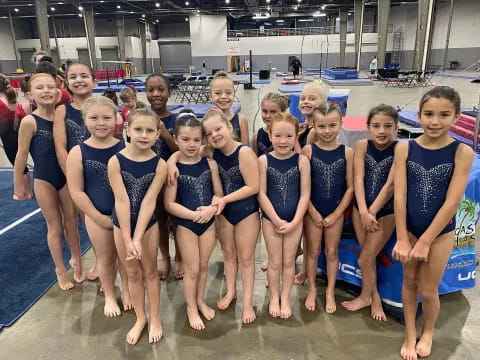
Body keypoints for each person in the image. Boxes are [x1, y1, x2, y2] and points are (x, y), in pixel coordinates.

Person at [392, 86, 474, 360]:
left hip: (440, 233)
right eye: (428, 114)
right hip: (409, 229)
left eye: (444, 114)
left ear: (457, 117)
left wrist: (426, 240)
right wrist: (403, 237)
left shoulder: (462, 151)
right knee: (408, 283)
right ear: (419, 115)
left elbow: (452, 202)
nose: (435, 121)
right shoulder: (405, 148)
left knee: (428, 290)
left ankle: (427, 330)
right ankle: (410, 333)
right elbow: (400, 195)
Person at [167, 107, 260, 323]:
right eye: (209, 133)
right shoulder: (210, 152)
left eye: (218, 129)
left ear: (229, 127)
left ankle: (247, 303)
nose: (214, 135)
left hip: (244, 211)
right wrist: (171, 162)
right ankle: (230, 292)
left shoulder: (243, 152)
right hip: (222, 214)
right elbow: (182, 152)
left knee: (246, 259)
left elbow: (253, 186)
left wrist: (222, 201)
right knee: (228, 254)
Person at [14, 73, 86, 290]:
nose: (46, 91)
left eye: (50, 87)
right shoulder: (30, 121)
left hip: (66, 177)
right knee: (54, 226)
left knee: (71, 223)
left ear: (58, 91)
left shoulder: (62, 116)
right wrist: (19, 182)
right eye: (40, 88)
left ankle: (77, 261)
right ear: (29, 94)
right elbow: (21, 154)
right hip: (44, 179)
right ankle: (60, 270)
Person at [66, 96, 131, 317]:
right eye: (94, 118)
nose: (100, 123)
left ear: (116, 119)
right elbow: (76, 191)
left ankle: (127, 289)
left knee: (125, 258)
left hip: (124, 215)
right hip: (97, 215)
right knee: (104, 258)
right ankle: (111, 296)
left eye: (106, 117)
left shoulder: (125, 148)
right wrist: (96, 216)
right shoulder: (78, 152)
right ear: (85, 120)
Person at [108, 108, 167, 345]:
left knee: (150, 273)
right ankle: (140, 317)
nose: (144, 135)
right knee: (132, 273)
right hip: (121, 224)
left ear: (157, 133)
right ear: (127, 130)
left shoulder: (159, 164)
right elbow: (121, 201)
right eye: (138, 129)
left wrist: (138, 237)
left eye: (149, 130)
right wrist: (127, 237)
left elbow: (149, 201)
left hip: (148, 225)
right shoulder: (116, 161)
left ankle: (155, 318)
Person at [163, 112, 223, 330]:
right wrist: (194, 215)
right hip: (187, 226)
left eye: (196, 140)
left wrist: (211, 208)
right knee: (192, 269)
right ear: (176, 139)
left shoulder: (210, 164)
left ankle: (200, 301)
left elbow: (218, 194)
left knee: (204, 266)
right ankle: (190, 307)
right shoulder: (174, 168)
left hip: (207, 223)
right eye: (185, 139)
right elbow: (169, 204)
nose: (191, 144)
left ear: (203, 140)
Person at [341, 104, 399, 321]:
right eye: (376, 126)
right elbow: (358, 179)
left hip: (385, 211)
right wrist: (363, 210)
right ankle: (373, 299)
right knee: (368, 257)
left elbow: (391, 185)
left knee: (365, 259)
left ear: (396, 126)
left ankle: (367, 297)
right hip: (360, 207)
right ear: (368, 127)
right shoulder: (362, 145)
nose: (382, 131)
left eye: (388, 126)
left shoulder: (399, 149)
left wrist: (372, 211)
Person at [301, 103, 354, 313]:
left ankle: (330, 290)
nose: (327, 131)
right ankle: (312, 289)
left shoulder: (347, 152)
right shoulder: (308, 151)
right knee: (312, 251)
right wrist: (312, 212)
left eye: (332, 125)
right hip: (312, 210)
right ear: (314, 125)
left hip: (335, 212)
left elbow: (350, 188)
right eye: (321, 126)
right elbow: (303, 187)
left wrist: (336, 214)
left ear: (341, 123)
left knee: (332, 253)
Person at [258, 113, 310, 319]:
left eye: (289, 136)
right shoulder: (263, 160)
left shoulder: (302, 161)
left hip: (295, 221)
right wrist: (276, 219)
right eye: (278, 135)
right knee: (274, 262)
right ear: (270, 136)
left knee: (289, 262)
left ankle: (286, 298)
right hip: (271, 220)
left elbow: (305, 194)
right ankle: (273, 298)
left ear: (296, 136)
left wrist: (296, 221)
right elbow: (261, 193)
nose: (283, 141)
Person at [53, 62, 99, 281]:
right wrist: (73, 178)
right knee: (79, 219)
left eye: (84, 75)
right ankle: (88, 259)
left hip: (100, 172)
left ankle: (103, 260)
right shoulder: (63, 110)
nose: (79, 80)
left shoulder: (102, 106)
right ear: (67, 83)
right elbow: (60, 147)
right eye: (73, 77)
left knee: (100, 218)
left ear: (93, 80)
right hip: (74, 174)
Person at [145, 74, 182, 280]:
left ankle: (179, 257)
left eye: (161, 89)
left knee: (176, 220)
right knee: (159, 219)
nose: (156, 94)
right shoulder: (141, 118)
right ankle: (165, 257)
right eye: (151, 90)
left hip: (173, 179)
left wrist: (164, 133)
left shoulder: (177, 120)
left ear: (169, 92)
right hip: (151, 180)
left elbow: (183, 150)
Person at [294, 79, 329, 285]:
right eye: (303, 98)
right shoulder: (307, 126)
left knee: (310, 237)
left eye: (312, 98)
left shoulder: (316, 131)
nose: (306, 101)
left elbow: (303, 162)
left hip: (313, 188)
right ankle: (303, 264)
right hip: (305, 186)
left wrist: (297, 140)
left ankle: (306, 272)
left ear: (323, 103)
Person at [0, 75, 30, 191]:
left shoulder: (1, 103)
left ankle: (26, 191)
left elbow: (3, 126)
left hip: (9, 139)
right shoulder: (11, 99)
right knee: (23, 166)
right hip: (18, 135)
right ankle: (29, 190)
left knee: (18, 166)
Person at [209, 71, 249, 145]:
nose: (223, 96)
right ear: (210, 96)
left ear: (234, 94)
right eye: (218, 93)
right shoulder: (207, 122)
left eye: (228, 93)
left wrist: (223, 119)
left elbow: (245, 149)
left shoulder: (241, 121)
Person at [252, 92, 290, 157]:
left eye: (273, 112)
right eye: (265, 111)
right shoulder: (257, 135)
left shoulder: (290, 134)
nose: (268, 116)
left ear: (283, 112)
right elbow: (255, 159)